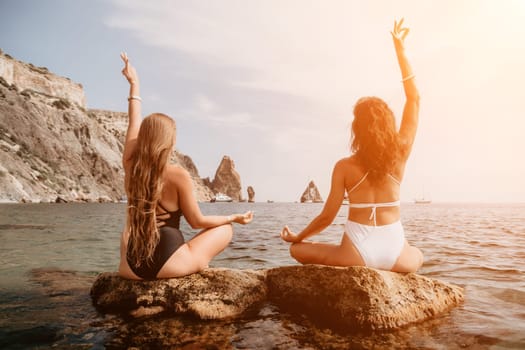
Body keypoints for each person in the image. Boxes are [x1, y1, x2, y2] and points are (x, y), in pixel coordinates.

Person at [280, 19, 423, 273]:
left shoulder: (344, 167)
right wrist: (401, 51)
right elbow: (414, 98)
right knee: (418, 255)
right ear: (388, 124)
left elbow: (326, 217)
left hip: (355, 254)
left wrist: (297, 237)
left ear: (357, 129)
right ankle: (399, 257)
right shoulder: (401, 152)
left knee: (297, 250)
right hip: (396, 255)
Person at [118, 53, 253, 280]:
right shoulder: (178, 174)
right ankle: (195, 263)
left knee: (127, 233)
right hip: (169, 265)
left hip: (131, 269)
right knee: (225, 230)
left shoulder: (131, 165)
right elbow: (197, 222)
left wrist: (134, 85)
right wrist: (233, 217)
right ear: (169, 141)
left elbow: (134, 120)